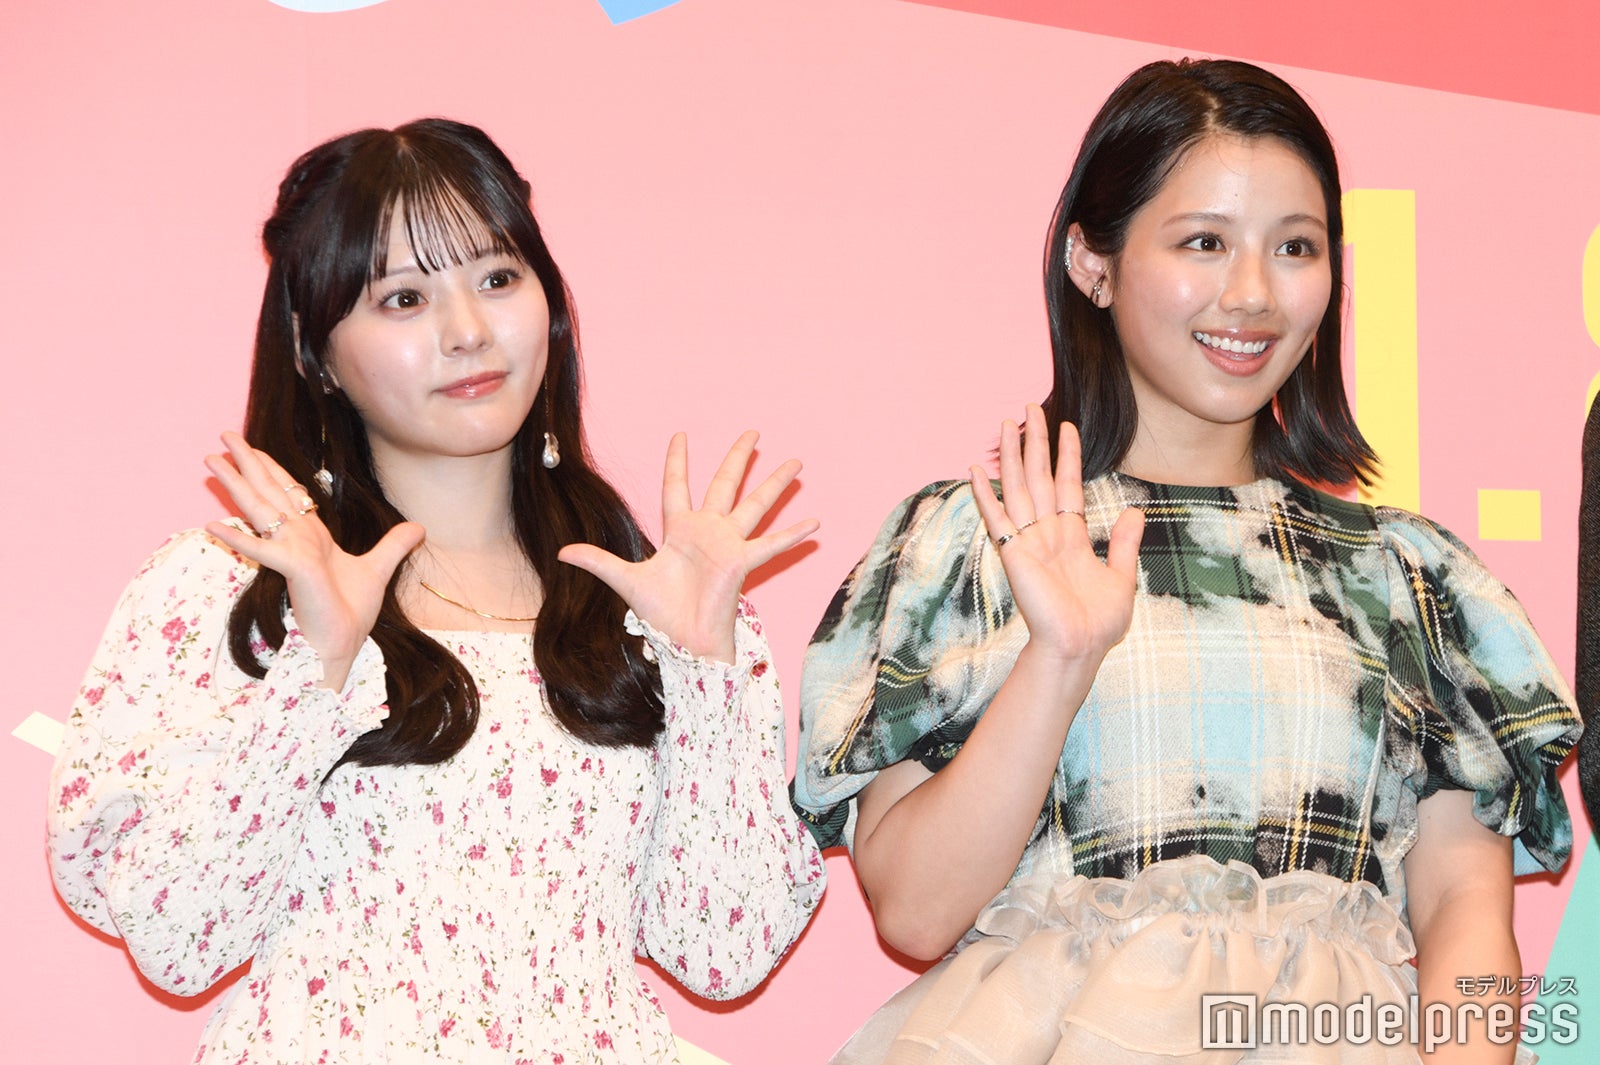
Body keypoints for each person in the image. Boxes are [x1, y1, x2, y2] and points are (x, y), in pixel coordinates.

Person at [793, 60, 1578, 1064]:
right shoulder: (976, 543)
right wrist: (1061, 657)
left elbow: (1465, 907)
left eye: (1294, 248)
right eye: (1203, 242)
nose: (1251, 294)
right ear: (1093, 262)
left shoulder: (1404, 575)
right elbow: (913, 911)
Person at [48, 118, 824, 1064]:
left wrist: (705, 670)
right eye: (405, 298)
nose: (468, 332)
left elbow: (724, 955)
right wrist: (318, 669)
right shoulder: (228, 589)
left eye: (497, 279)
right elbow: (181, 945)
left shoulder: (648, 598)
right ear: (314, 350)